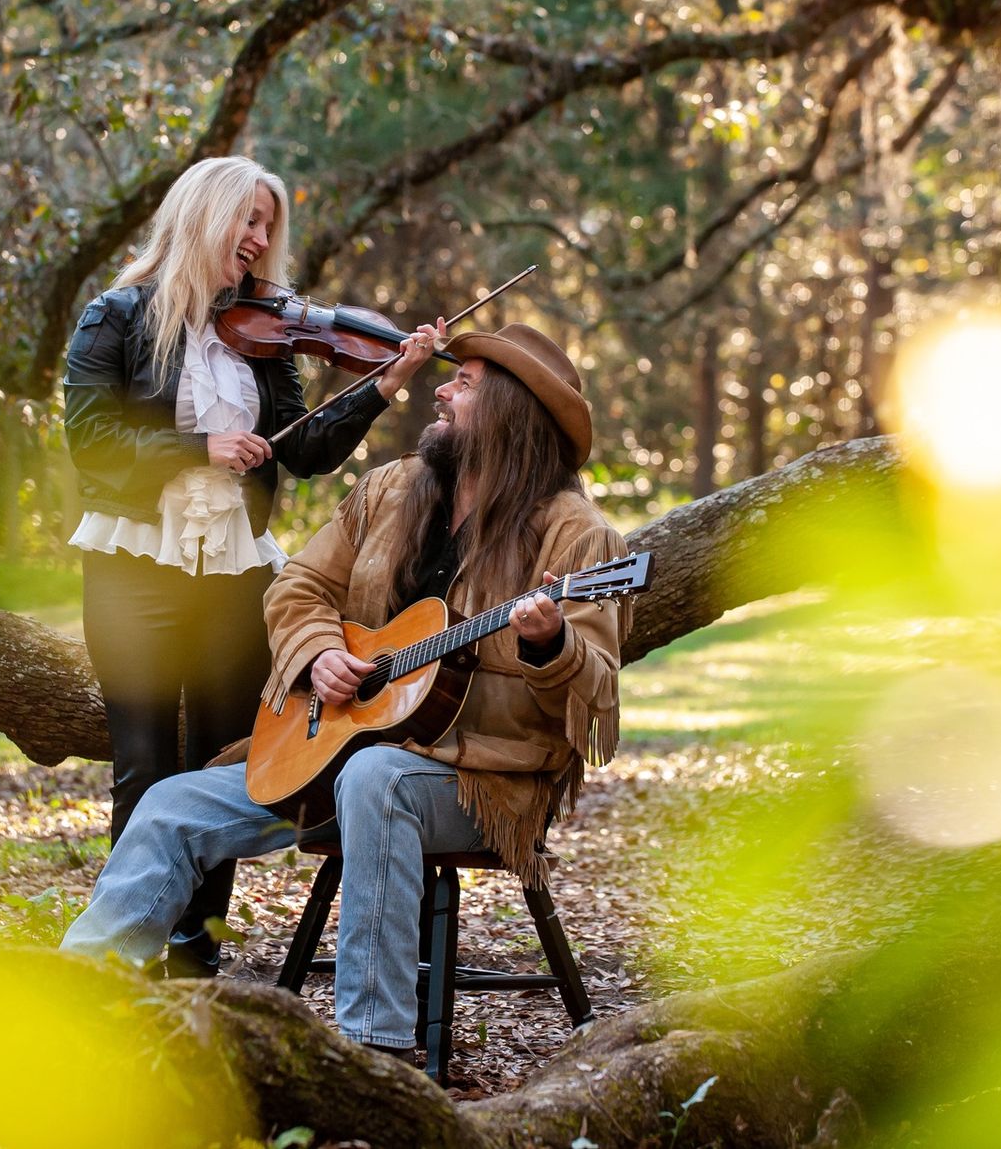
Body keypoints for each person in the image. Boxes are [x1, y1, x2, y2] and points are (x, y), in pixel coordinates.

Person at [62, 323, 629, 1054]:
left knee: (377, 777)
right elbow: (297, 586)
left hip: (484, 778)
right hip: (338, 748)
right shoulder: (392, 490)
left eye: (465, 385)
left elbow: (596, 692)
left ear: (513, 414)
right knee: (173, 803)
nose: (442, 391)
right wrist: (320, 651)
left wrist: (549, 641)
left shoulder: (578, 538)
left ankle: (372, 1049)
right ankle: (74, 1002)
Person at [63, 154, 441, 977]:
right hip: (136, 568)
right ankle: (130, 952)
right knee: (144, 762)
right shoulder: (117, 317)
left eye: (268, 226)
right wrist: (198, 448)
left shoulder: (263, 339)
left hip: (236, 573)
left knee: (225, 763)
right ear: (206, 215)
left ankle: (197, 950)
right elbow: (89, 445)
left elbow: (304, 451)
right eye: (250, 220)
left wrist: (385, 383)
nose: (260, 239)